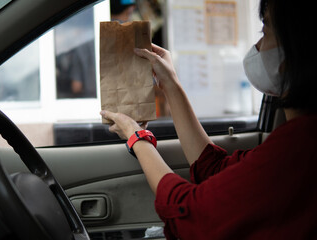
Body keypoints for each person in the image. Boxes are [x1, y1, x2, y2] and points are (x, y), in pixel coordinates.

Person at [100, 0, 317, 239]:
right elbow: (213, 168)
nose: (257, 46)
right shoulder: (295, 141)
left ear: (295, 48)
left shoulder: (299, 147)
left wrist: (137, 138)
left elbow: (191, 213)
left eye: (265, 32)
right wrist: (171, 84)